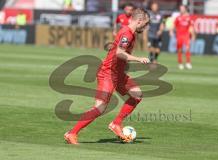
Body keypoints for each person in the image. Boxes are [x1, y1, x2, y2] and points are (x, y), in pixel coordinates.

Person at [64, 8, 150, 145]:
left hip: (118, 74)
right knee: (100, 108)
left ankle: (116, 124)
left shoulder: (131, 33)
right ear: (139, 21)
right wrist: (138, 59)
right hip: (108, 73)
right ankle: (72, 133)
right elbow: (119, 53)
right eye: (145, 24)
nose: (146, 27)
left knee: (137, 95)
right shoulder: (127, 33)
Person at [170, 5, 195, 70]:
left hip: (186, 35)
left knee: (187, 49)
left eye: (182, 8)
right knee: (179, 50)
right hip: (179, 35)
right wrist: (171, 31)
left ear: (185, 9)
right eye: (180, 8)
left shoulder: (189, 17)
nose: (181, 10)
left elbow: (191, 27)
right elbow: (173, 25)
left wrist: (193, 35)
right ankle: (180, 63)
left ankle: (188, 62)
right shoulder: (178, 17)